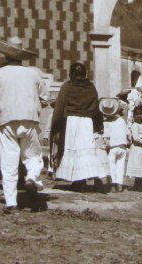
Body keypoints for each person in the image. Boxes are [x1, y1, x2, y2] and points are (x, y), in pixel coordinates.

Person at [0, 36, 50, 213]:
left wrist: (2, 109)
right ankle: (32, 177)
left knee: (9, 161)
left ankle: (11, 202)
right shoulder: (33, 74)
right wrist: (34, 106)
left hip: (7, 120)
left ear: (6, 56)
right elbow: (45, 98)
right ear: (22, 57)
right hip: (29, 119)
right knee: (33, 155)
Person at [50, 62, 107, 192]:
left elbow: (59, 107)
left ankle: (78, 181)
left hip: (72, 122)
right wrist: (98, 125)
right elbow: (96, 109)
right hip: (87, 122)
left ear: (72, 74)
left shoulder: (67, 87)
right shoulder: (91, 87)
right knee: (85, 150)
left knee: (74, 149)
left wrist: (56, 125)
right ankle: (82, 180)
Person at [101, 98, 130, 192]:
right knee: (121, 167)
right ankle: (120, 185)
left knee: (111, 166)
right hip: (122, 146)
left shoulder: (105, 123)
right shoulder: (121, 120)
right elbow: (127, 133)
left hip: (112, 148)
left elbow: (106, 137)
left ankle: (113, 185)